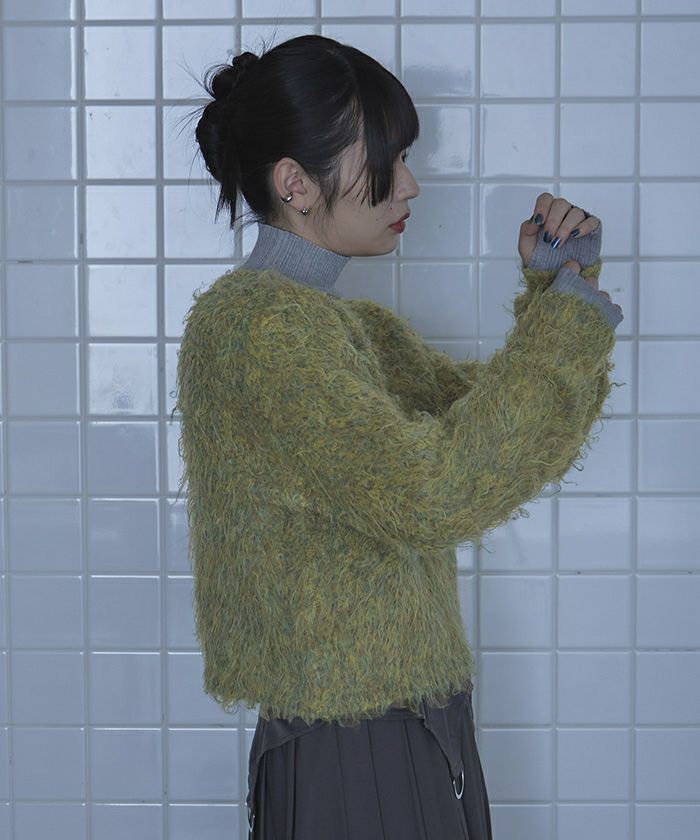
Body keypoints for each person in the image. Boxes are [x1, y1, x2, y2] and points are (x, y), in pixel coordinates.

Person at [174, 34, 624, 840]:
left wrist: (558, 287)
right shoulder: (254, 329)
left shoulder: (350, 330)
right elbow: (438, 491)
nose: (411, 183)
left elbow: (500, 432)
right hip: (355, 745)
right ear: (295, 183)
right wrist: (560, 319)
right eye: (388, 158)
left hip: (405, 728)